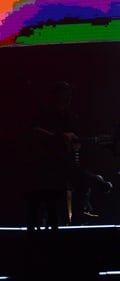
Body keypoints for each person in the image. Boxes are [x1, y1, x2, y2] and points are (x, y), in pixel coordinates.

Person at [27, 81, 113, 227]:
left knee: (88, 181)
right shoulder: (45, 114)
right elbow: (34, 132)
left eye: (68, 96)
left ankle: (80, 218)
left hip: (67, 165)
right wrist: (60, 137)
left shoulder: (72, 117)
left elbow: (76, 142)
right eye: (63, 95)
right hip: (47, 165)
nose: (66, 99)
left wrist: (77, 144)